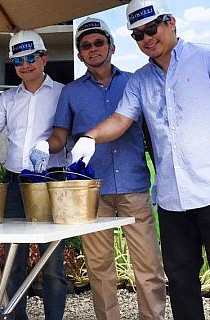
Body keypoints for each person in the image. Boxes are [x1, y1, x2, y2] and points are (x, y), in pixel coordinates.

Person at [70, 0, 210, 320]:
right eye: (138, 35)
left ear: (170, 23)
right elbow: (120, 120)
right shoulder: (140, 80)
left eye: (151, 28)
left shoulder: (207, 58)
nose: (146, 38)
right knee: (182, 282)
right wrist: (90, 136)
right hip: (172, 200)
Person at [35, 16, 166, 320]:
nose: (93, 49)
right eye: (86, 46)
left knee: (148, 268)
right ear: (80, 55)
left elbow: (153, 135)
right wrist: (45, 145)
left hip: (134, 186)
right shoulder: (71, 92)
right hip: (91, 193)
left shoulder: (135, 81)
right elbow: (59, 136)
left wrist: (162, 177)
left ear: (112, 47)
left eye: (98, 43)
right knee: (100, 268)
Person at [0, 30, 68, 320]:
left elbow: (68, 133)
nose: (25, 65)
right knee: (13, 261)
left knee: (52, 263)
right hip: (13, 185)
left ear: (44, 58)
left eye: (31, 57)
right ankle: (14, 316)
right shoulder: (8, 98)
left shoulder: (62, 93)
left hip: (50, 183)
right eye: (18, 60)